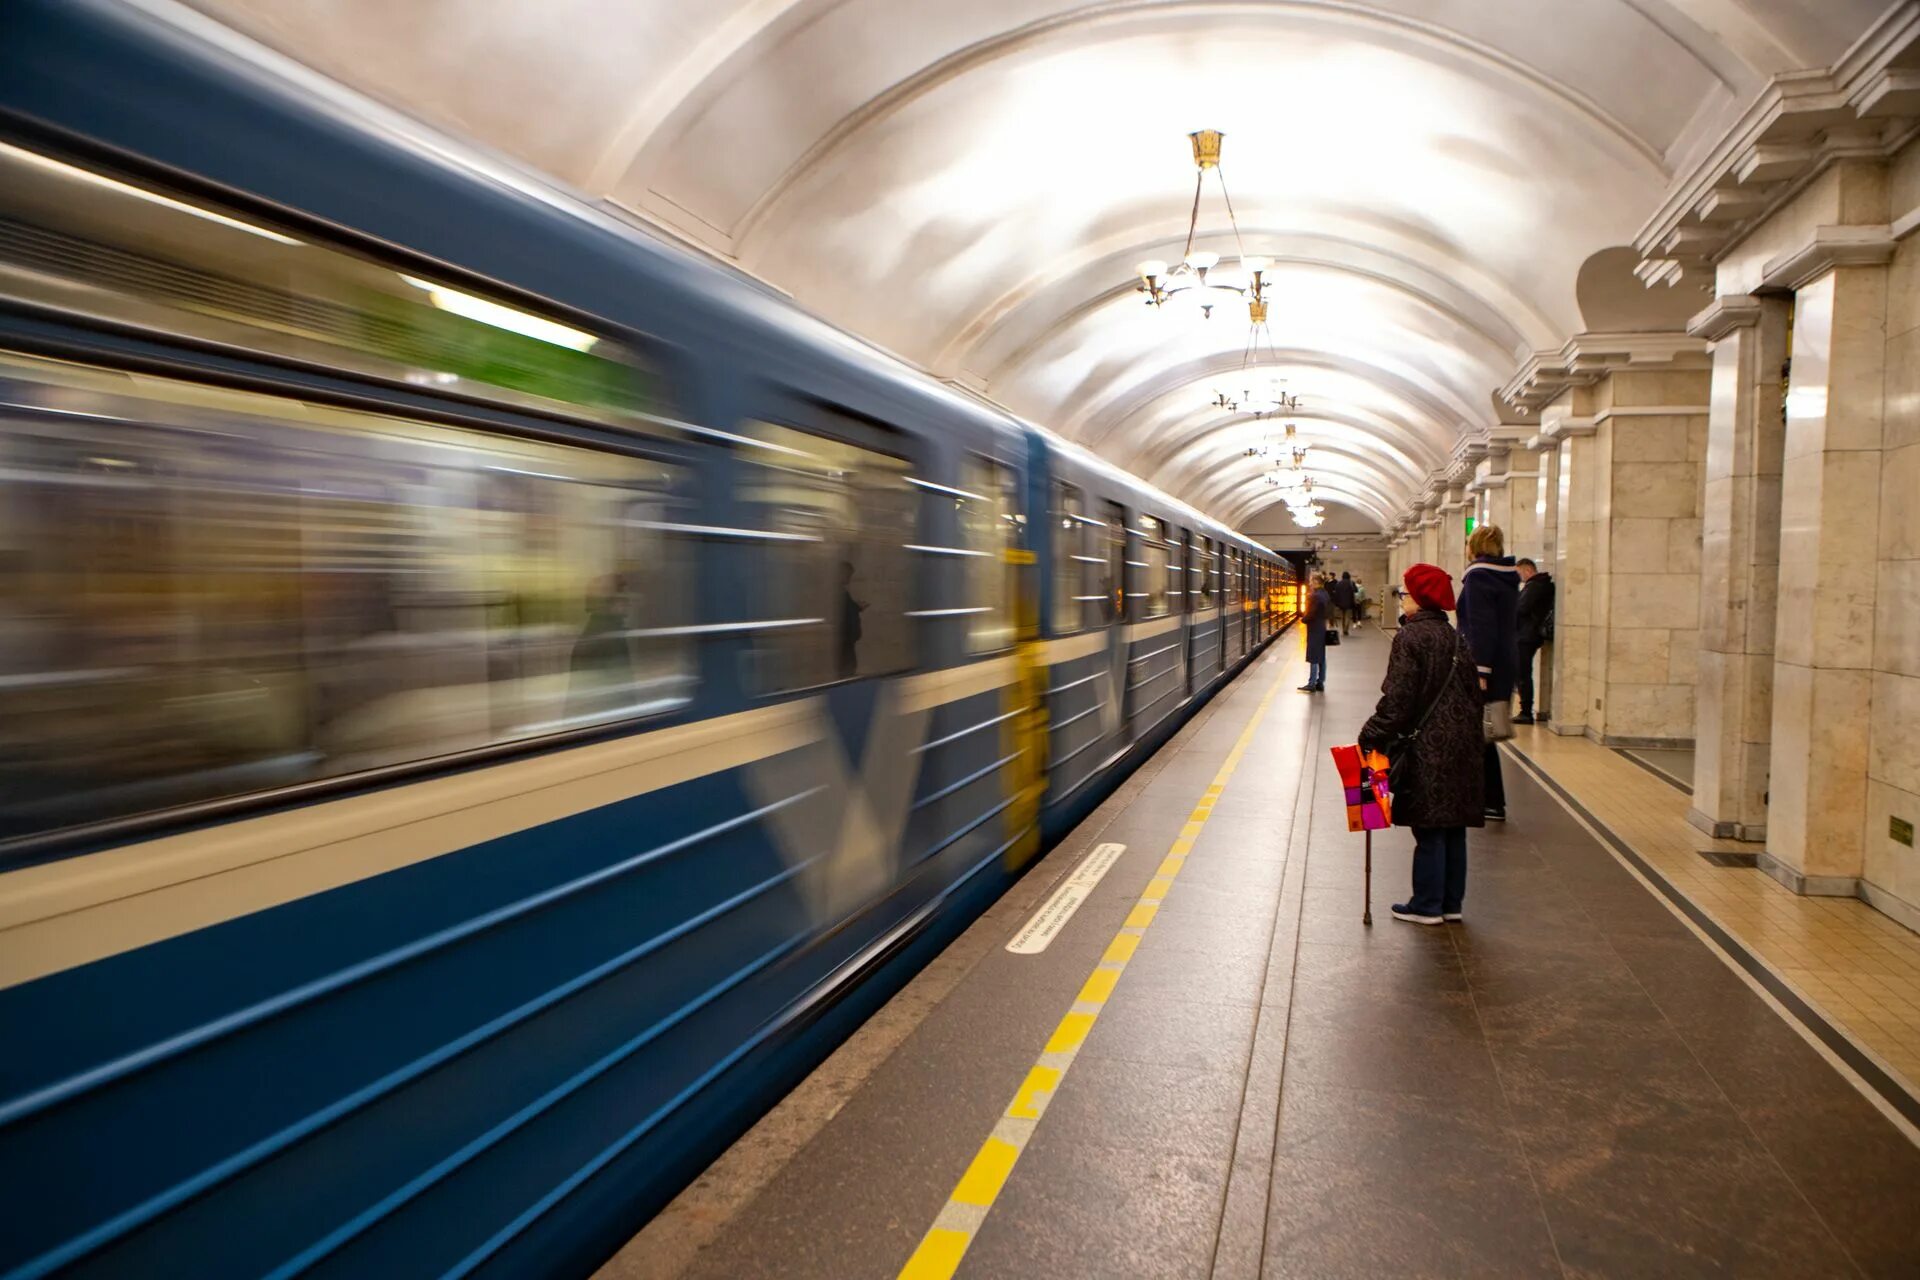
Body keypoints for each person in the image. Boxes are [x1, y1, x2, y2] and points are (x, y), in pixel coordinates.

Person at [1359, 563, 1485, 924]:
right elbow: (1471, 698)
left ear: (1419, 598)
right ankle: (1450, 903)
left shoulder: (1410, 638)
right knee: (1453, 826)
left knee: (1428, 826)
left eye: (1404, 594)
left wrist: (1371, 734)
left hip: (1428, 748)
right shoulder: (1454, 637)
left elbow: (1397, 700)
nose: (1401, 601)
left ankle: (1426, 905)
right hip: (1461, 746)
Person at [1457, 525, 1520, 821]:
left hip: (1484, 665)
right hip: (1505, 661)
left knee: (1477, 733)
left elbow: (1481, 626)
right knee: (1483, 732)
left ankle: (1489, 798)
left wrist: (1480, 669)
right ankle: (1489, 797)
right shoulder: (1506, 577)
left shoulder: (1478, 576)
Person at [1514, 557, 1555, 724]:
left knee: (1523, 673)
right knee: (1522, 673)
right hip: (1528, 634)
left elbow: (1521, 608)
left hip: (1527, 636)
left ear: (1528, 570)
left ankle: (1526, 711)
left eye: (1520, 573)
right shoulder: (1539, 585)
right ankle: (1525, 709)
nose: (1520, 578)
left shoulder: (1536, 586)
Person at [1299, 573, 1330, 692]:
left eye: (1311, 581)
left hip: (1314, 628)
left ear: (1316, 582)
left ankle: (1311, 683)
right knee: (1321, 656)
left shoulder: (1315, 596)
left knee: (1313, 655)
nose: (1310, 584)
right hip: (1321, 626)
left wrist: (1303, 619)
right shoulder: (1325, 594)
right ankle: (1320, 682)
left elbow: (1311, 613)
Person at [836, 560, 865, 679]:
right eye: (848, 575)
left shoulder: (841, 592)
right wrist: (856, 608)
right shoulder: (838, 592)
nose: (849, 578)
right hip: (845, 644)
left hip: (847, 644)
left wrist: (857, 607)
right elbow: (845, 613)